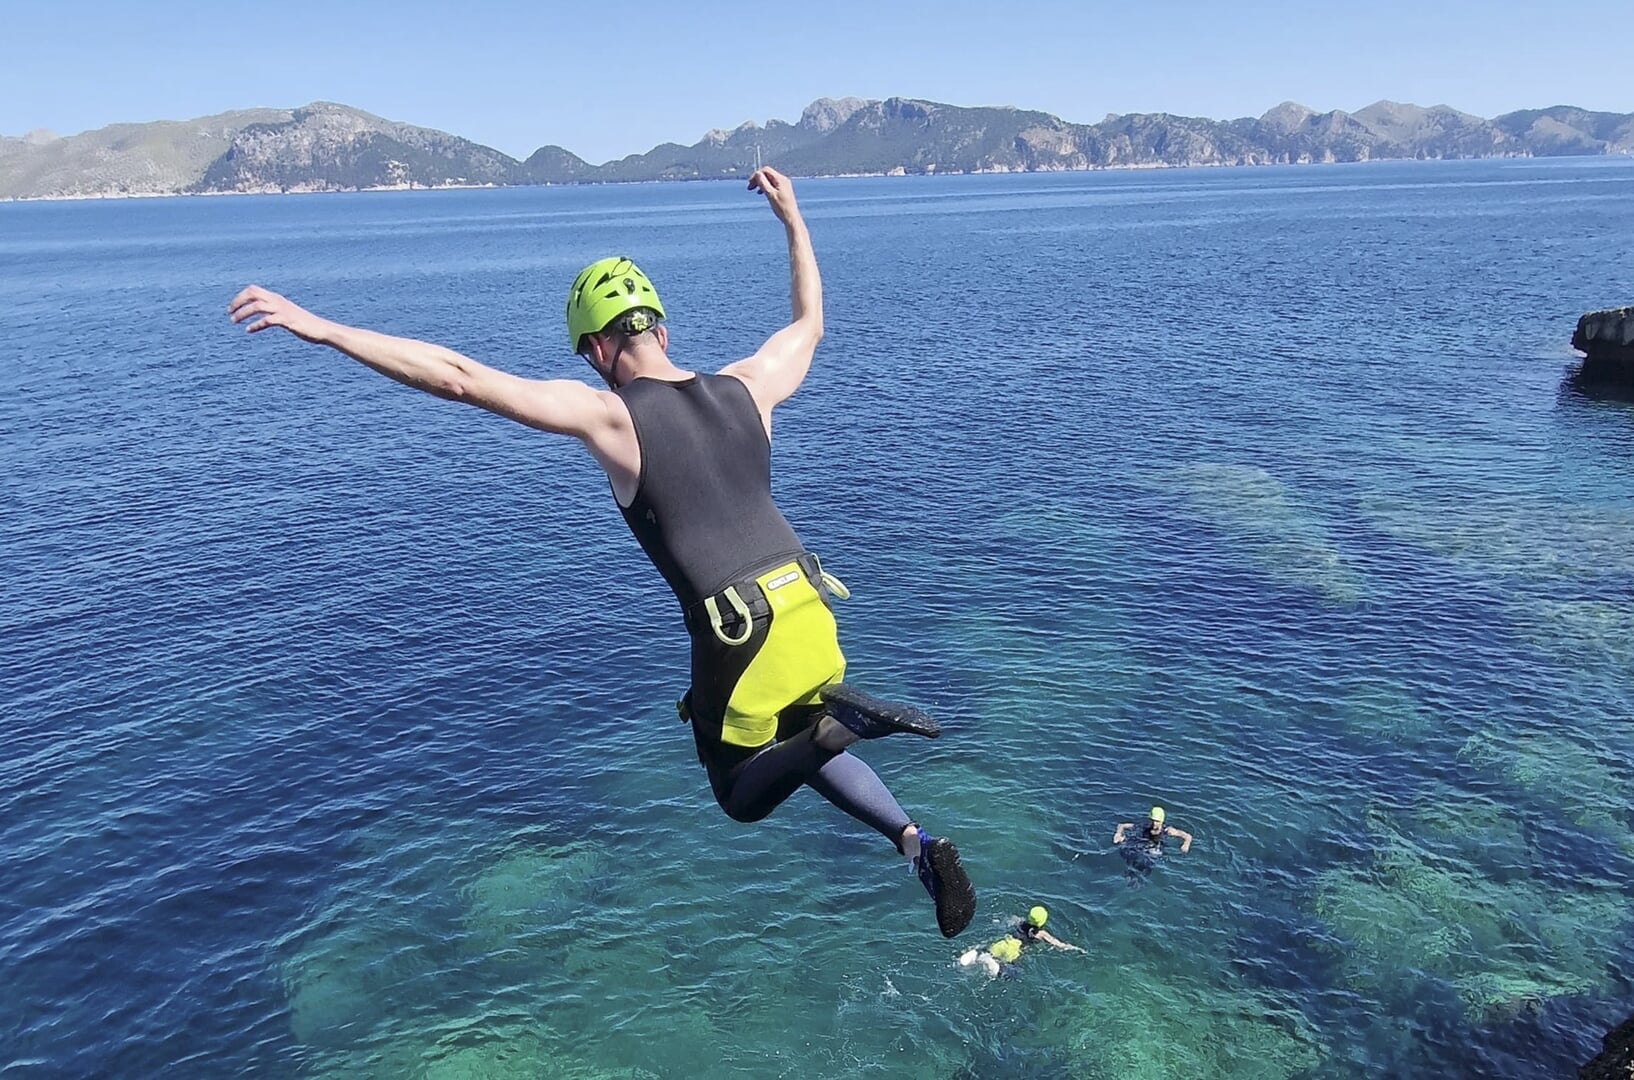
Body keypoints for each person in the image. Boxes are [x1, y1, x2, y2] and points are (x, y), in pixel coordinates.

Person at [226, 166, 976, 938]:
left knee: (740, 791)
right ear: (661, 328)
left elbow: (457, 378)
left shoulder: (611, 418)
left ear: (595, 348)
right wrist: (793, 220)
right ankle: (914, 841)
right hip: (809, 601)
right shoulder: (749, 387)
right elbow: (809, 322)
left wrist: (321, 326)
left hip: (739, 627)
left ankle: (842, 724)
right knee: (793, 734)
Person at [958, 905, 1083, 978]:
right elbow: (1058, 945)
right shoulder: (1042, 934)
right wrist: (1075, 948)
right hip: (1014, 951)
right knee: (1015, 973)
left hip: (1002, 943)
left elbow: (1008, 920)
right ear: (1043, 921)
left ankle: (978, 955)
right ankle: (997, 968)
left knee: (987, 951)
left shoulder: (1020, 921)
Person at [1112, 806, 1192, 880]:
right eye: (1152, 820)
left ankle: (1137, 877)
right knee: (1126, 849)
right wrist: (1118, 834)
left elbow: (1187, 836)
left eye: (1157, 821)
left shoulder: (1168, 830)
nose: (1154, 824)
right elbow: (1121, 825)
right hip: (1140, 844)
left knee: (1149, 860)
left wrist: (1186, 844)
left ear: (1161, 821)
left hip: (1154, 849)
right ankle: (1130, 872)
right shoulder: (1144, 827)